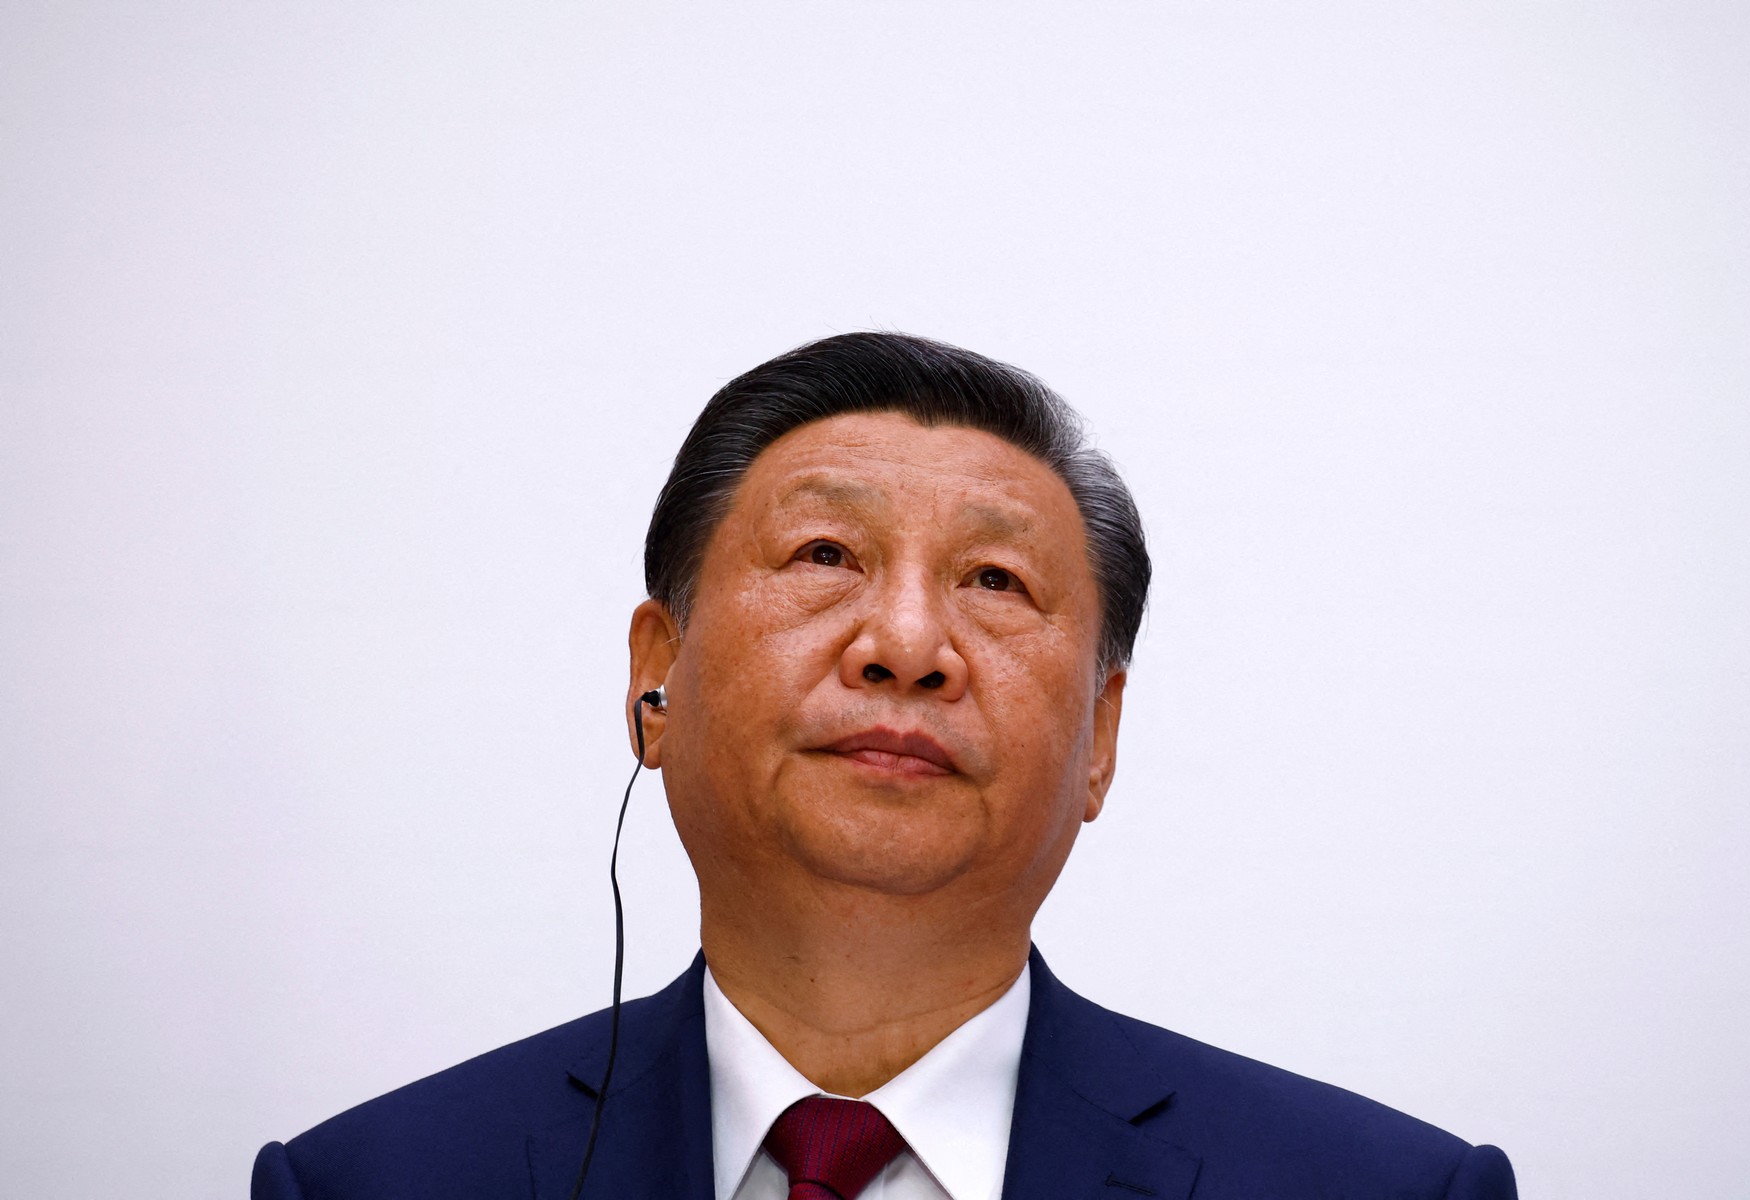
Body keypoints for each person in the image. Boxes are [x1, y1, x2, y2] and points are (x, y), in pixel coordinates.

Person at [252, 332, 1517, 1199]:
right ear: (656, 679)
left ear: (1103, 741)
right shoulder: (376, 1183)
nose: (907, 645)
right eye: (823, 556)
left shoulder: (1381, 1190)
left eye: (995, 581)